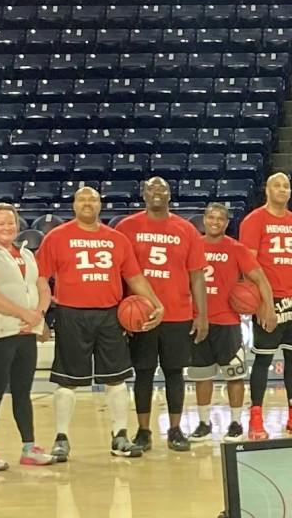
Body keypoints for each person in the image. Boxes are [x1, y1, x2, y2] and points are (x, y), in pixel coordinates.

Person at [38, 185, 163, 460]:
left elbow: (135, 277)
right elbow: (40, 277)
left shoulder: (117, 239)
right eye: (82, 199)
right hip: (71, 313)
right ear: (73, 205)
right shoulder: (56, 237)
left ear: (100, 205)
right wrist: (40, 315)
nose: (87, 203)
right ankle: (61, 438)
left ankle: (120, 436)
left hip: (110, 314)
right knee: (67, 381)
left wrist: (155, 303)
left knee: (116, 378)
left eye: (92, 200)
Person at [113, 176, 208, 451]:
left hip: (177, 313)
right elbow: (120, 273)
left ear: (170, 194)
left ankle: (175, 429)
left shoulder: (186, 229)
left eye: (162, 188)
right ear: (143, 194)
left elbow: (197, 276)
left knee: (174, 373)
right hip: (141, 315)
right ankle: (143, 431)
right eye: (152, 188)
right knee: (143, 373)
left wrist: (201, 314)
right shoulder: (126, 227)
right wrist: (121, 312)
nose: (157, 192)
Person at [239, 172, 292, 440]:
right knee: (263, 360)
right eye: (278, 185)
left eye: (287, 185)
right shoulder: (254, 220)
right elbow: (249, 265)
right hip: (268, 301)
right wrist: (262, 302)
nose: (283, 189)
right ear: (267, 190)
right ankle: (256, 418)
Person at [0, 203, 52, 468]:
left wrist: (38, 315)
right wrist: (24, 313)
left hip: (26, 332)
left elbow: (42, 286)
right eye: (1, 223)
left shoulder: (27, 254)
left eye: (11, 222)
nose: (7, 227)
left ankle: (29, 447)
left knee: (23, 392)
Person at [191, 202, 274, 440]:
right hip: (199, 320)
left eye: (220, 219)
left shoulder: (237, 249)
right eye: (211, 217)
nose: (215, 222)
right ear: (204, 220)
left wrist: (267, 305)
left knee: (234, 375)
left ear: (227, 224)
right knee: (202, 375)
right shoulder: (192, 245)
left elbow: (259, 278)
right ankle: (204, 423)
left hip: (228, 322)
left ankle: (236, 422)